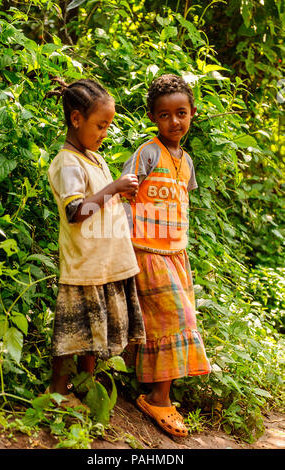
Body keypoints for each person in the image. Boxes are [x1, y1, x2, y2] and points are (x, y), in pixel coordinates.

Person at [47, 78, 146, 406]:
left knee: (93, 336)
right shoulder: (67, 163)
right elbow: (76, 211)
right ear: (76, 119)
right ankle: (58, 395)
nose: (105, 133)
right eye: (100, 125)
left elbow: (100, 203)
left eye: (108, 126)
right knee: (71, 336)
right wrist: (114, 188)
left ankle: (86, 389)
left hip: (104, 264)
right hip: (83, 266)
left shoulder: (95, 158)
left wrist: (119, 193)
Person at [122, 74, 211, 436]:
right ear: (152, 117)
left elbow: (182, 203)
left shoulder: (186, 162)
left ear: (191, 113)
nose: (174, 122)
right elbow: (125, 195)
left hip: (177, 254)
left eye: (181, 113)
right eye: (164, 115)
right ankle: (158, 398)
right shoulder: (147, 152)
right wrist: (122, 244)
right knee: (178, 318)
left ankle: (154, 391)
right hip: (147, 253)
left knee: (164, 324)